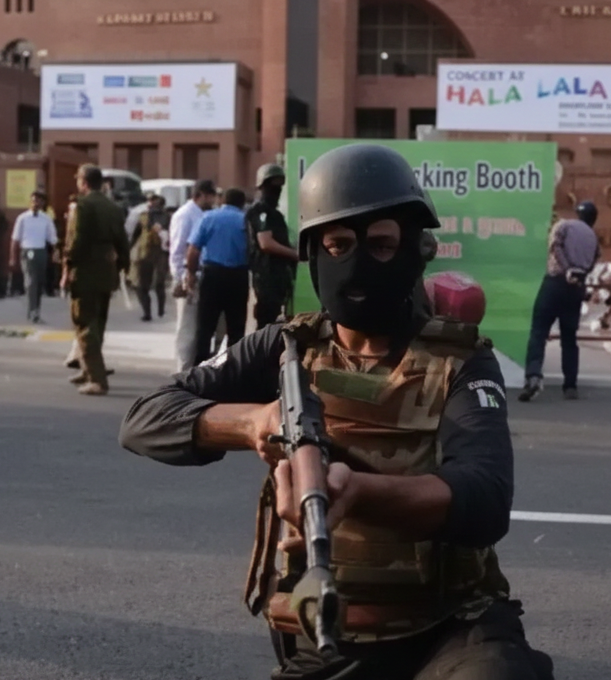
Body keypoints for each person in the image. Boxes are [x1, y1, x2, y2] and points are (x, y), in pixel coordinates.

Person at [118, 143, 555, 680]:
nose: (360, 262)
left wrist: (359, 492)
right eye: (339, 244)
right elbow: (145, 417)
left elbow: (485, 496)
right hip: (329, 636)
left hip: (449, 625)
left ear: (416, 248)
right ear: (314, 253)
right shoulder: (287, 346)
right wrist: (253, 423)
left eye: (382, 244)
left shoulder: (460, 361)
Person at [519, 201, 600, 402]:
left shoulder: (564, 225)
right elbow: (594, 259)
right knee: (569, 339)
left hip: (555, 283)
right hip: (576, 289)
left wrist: (567, 269)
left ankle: (533, 376)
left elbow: (555, 246)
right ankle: (570, 385)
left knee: (539, 332)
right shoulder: (593, 237)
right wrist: (579, 273)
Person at [63, 164, 130, 396]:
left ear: (83, 182)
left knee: (84, 324)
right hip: (106, 272)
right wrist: (122, 267)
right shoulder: (113, 207)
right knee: (98, 323)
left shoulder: (83, 205)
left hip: (86, 271)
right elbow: (122, 241)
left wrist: (67, 265)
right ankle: (87, 368)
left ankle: (97, 379)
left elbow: (76, 240)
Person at [186, 187, 250, 364]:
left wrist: (191, 273)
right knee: (236, 328)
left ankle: (200, 366)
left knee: (205, 327)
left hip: (212, 275)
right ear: (242, 203)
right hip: (238, 277)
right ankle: (233, 367)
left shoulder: (208, 217)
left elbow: (193, 250)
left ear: (223, 201)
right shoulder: (246, 221)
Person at [169, 179, 219, 372]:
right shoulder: (185, 215)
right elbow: (177, 250)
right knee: (187, 329)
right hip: (188, 276)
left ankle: (193, 372)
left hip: (201, 276)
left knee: (199, 329)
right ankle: (182, 372)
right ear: (201, 195)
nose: (213, 201)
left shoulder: (202, 214)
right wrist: (182, 278)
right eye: (211, 196)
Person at [246, 164, 300, 330]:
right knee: (267, 323)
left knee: (276, 321)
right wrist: (294, 254)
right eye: (272, 184)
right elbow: (266, 243)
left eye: (279, 185)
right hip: (266, 276)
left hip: (277, 276)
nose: (277, 189)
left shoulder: (273, 213)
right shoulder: (260, 210)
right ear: (262, 186)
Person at [10, 190, 59, 323]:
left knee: (39, 282)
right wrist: (12, 257)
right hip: (28, 251)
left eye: (38, 201)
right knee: (31, 280)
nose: (35, 203)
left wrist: (56, 252)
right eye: (33, 201)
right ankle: (32, 311)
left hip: (41, 251)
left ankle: (35, 309)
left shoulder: (46, 219)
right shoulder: (22, 218)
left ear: (42, 203)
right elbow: (15, 239)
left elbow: (52, 238)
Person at [131, 194, 172, 321]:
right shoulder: (168, 217)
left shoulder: (144, 216)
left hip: (145, 253)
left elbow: (134, 236)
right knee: (160, 284)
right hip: (161, 254)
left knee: (142, 285)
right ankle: (161, 311)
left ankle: (147, 312)